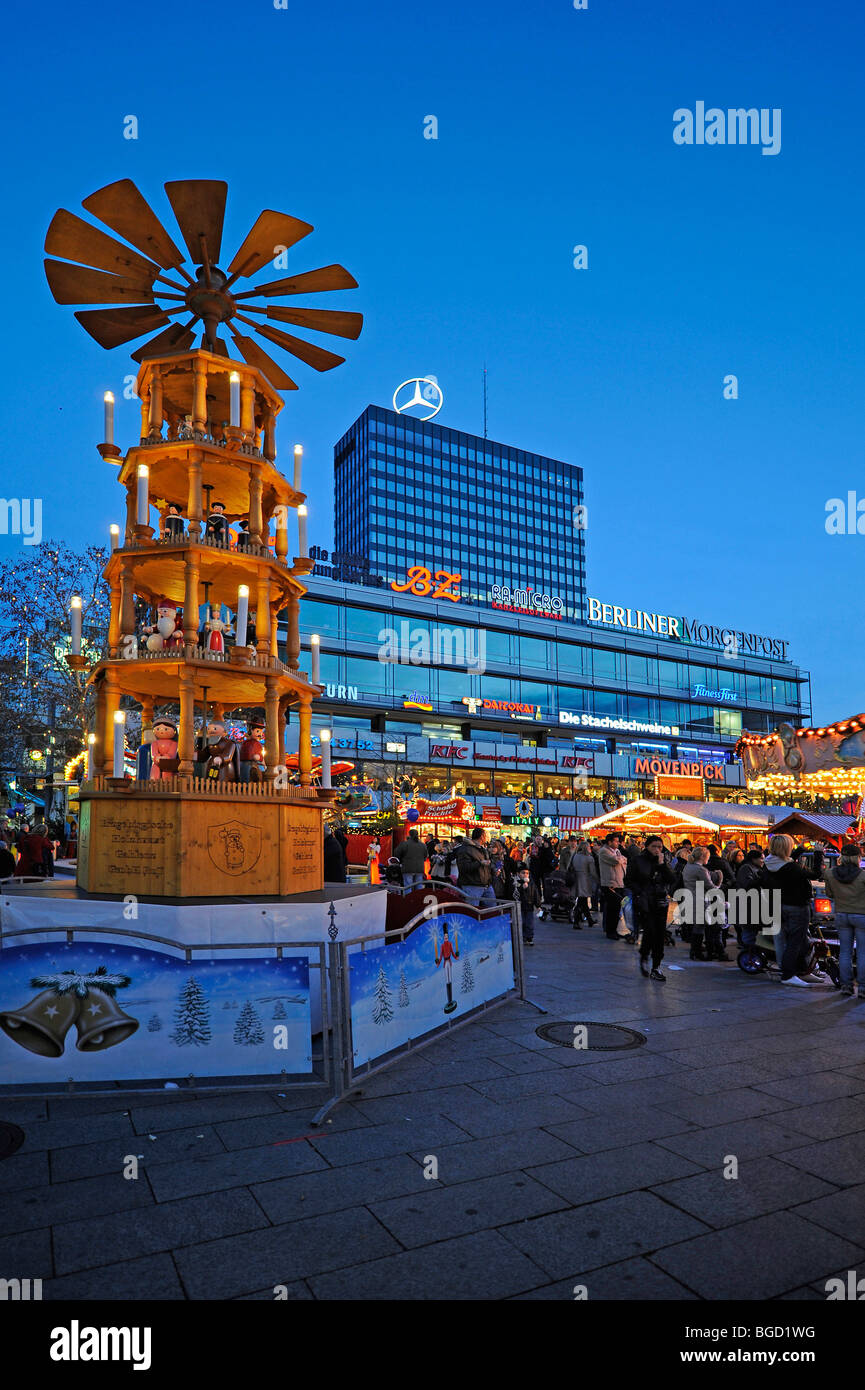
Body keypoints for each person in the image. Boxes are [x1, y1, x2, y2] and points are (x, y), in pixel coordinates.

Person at [763, 833, 828, 987]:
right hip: (797, 906)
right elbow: (815, 874)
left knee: (797, 941)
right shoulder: (791, 867)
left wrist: (799, 849)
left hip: (779, 904)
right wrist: (818, 854)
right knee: (796, 942)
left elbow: (785, 861)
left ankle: (801, 971)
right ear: (786, 848)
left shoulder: (769, 863)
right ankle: (789, 974)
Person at [626, 835, 676, 980]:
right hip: (644, 902)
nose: (657, 849)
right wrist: (639, 893)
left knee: (660, 934)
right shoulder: (638, 860)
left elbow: (672, 879)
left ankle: (656, 966)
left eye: (659, 847)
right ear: (647, 846)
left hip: (660, 901)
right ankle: (644, 955)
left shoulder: (663, 861)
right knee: (650, 931)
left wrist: (662, 865)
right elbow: (629, 880)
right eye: (654, 846)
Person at [823, 842, 865, 997]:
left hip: (841, 914)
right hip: (861, 915)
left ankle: (846, 985)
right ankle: (862, 987)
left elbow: (829, 894)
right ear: (857, 858)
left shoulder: (830, 873)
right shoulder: (863, 875)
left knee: (845, 952)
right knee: (862, 952)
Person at [682, 846, 724, 960]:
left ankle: (694, 951)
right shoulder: (701, 869)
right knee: (700, 926)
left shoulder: (688, 866)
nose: (708, 860)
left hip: (690, 898)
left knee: (698, 926)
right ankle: (697, 952)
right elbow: (711, 887)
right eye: (707, 857)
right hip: (700, 900)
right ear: (702, 856)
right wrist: (720, 878)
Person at [456, 827, 497, 908]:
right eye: (486, 835)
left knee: (492, 910)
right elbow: (463, 867)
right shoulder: (465, 849)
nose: (488, 838)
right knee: (472, 910)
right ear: (482, 836)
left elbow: (487, 865)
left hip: (486, 884)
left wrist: (493, 871)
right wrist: (480, 863)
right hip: (472, 885)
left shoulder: (483, 849)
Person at [598, 832, 627, 939]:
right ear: (609, 842)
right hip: (609, 883)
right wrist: (620, 859)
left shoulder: (617, 851)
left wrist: (621, 859)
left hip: (619, 882)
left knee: (616, 908)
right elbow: (615, 860)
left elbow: (624, 860)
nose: (618, 843)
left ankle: (614, 930)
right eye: (616, 841)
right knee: (612, 908)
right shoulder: (603, 851)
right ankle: (610, 931)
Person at [736, 848, 766, 947]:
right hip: (747, 904)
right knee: (748, 932)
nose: (763, 861)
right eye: (761, 858)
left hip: (754, 904)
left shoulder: (757, 868)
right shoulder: (746, 868)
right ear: (754, 859)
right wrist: (762, 879)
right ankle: (748, 954)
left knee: (752, 931)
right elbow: (747, 884)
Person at [570, 840, 598, 928]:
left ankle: (589, 920)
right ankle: (576, 922)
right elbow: (593, 872)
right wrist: (598, 880)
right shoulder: (589, 858)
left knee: (583, 901)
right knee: (581, 901)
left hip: (576, 879)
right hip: (585, 880)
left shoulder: (575, 856)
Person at [513, 863, 541, 946]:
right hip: (520, 906)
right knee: (521, 922)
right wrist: (522, 888)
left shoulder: (531, 882)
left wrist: (538, 905)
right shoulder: (515, 882)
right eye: (523, 873)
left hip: (529, 906)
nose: (525, 875)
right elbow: (514, 894)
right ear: (518, 874)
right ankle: (521, 937)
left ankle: (529, 937)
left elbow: (535, 893)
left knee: (529, 923)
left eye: (527, 873)